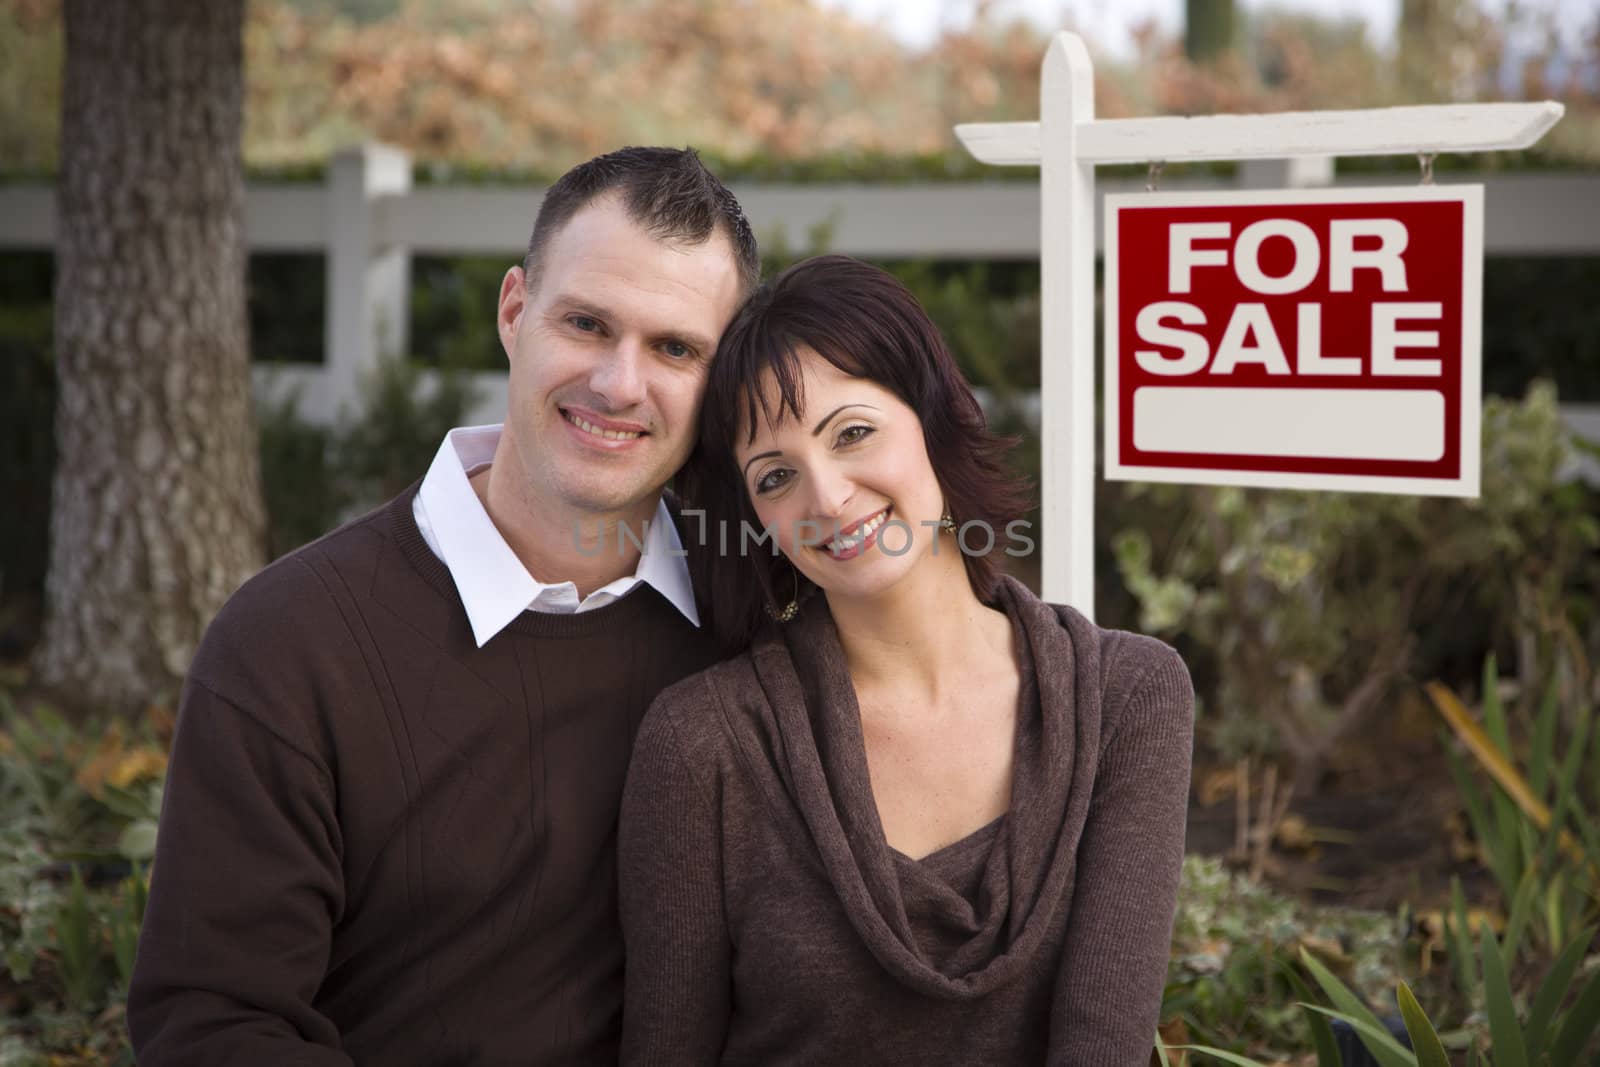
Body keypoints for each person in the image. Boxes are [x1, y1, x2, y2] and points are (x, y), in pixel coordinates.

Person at [127, 146, 759, 1066]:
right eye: (587, 323)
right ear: (514, 310)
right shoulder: (289, 644)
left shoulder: (749, 615)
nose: (620, 384)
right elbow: (214, 1022)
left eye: (675, 348)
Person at [618, 255, 1195, 1066]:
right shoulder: (702, 743)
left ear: (934, 417)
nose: (826, 497)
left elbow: (1103, 1043)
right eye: (776, 475)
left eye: (852, 433)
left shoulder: (1127, 697)